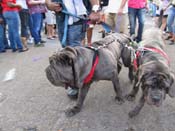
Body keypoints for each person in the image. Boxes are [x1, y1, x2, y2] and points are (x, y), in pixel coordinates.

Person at [45, 0, 100, 99]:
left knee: (73, 53)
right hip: (62, 20)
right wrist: (50, 5)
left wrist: (95, 10)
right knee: (67, 49)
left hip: (77, 20)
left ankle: (78, 83)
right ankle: (80, 77)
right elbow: (48, 3)